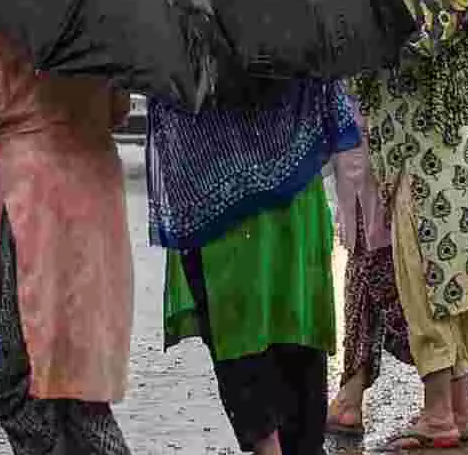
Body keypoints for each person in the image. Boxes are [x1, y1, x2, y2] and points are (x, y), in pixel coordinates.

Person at [0, 20, 135, 454]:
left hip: (27, 212)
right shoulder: (101, 34)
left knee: (11, 375)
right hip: (94, 211)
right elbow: (118, 112)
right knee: (80, 371)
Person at [153, 76, 357, 455]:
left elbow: (163, 105)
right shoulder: (303, 22)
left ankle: (269, 447)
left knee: (239, 337)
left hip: (215, 203)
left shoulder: (181, 25)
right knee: (295, 334)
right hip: (293, 197)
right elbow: (335, 113)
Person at [352, 27, 468, 449]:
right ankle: (459, 403)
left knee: (429, 289)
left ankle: (438, 411)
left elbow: (363, 81)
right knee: (462, 287)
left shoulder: (402, 14)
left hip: (426, 162)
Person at [325, 101, 413, 437]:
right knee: (363, 280)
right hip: (370, 164)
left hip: (377, 165)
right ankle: (350, 394)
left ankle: (450, 388)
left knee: (385, 284)